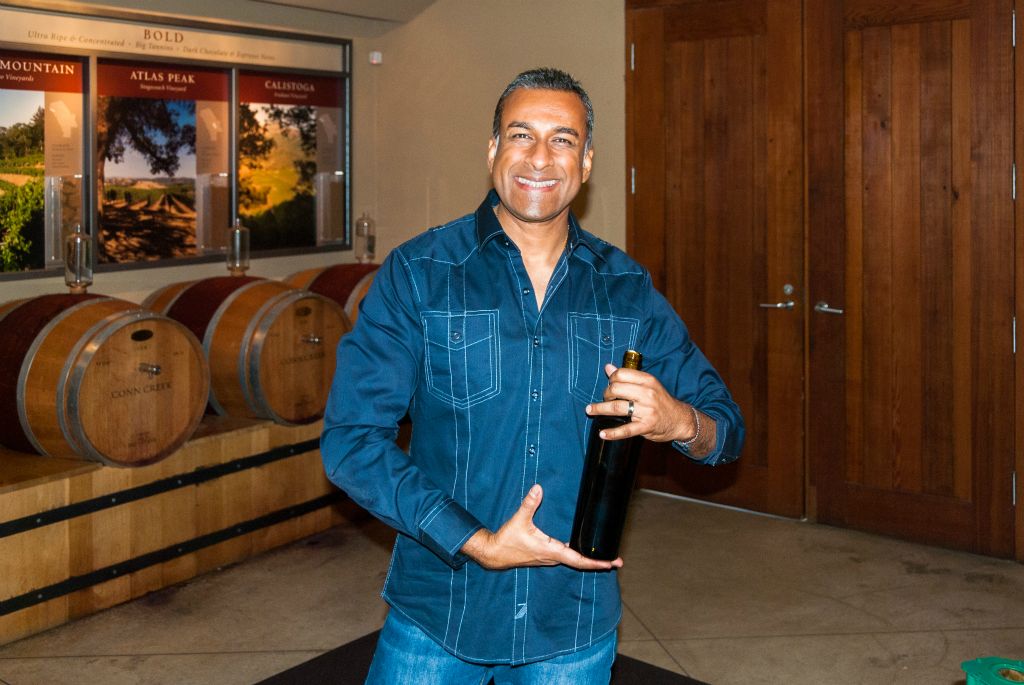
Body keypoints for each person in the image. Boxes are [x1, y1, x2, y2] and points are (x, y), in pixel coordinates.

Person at [321, 67, 744, 684]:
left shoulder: (626, 288)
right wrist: (476, 541)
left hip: (570, 622)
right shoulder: (420, 273)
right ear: (493, 149)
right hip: (440, 611)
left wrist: (679, 421)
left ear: (587, 160)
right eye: (522, 135)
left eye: (562, 139)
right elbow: (351, 440)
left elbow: (726, 432)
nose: (540, 157)